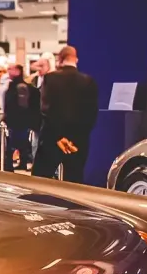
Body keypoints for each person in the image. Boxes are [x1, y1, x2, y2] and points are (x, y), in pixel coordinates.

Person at [33, 45, 99, 183]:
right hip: (77, 141)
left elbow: (46, 110)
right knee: (74, 183)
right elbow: (91, 113)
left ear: (60, 59)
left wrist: (59, 137)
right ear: (76, 60)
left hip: (52, 139)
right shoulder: (88, 81)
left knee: (40, 182)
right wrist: (75, 138)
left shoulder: (50, 78)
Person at [1, 61, 39, 171]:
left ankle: (9, 166)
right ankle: (22, 163)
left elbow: (21, 105)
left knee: (13, 144)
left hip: (18, 121)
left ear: (18, 71)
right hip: (18, 121)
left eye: (11, 69)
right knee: (21, 143)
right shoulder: (14, 85)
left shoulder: (20, 87)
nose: (8, 71)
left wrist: (9, 118)